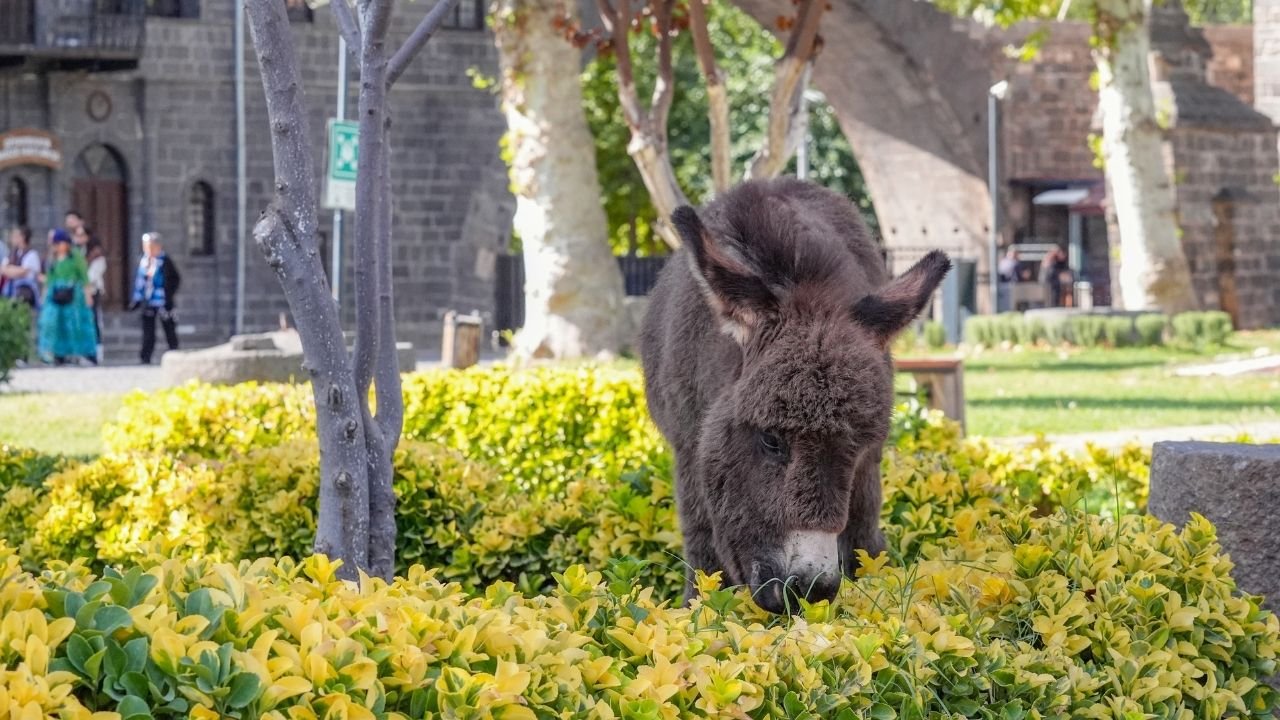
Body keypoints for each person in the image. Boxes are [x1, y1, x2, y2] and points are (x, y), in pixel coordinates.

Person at [36, 230, 97, 366]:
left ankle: (81, 353)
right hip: (55, 293)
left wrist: (88, 295)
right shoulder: (52, 258)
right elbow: (49, 279)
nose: (56, 246)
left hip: (73, 294)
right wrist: (43, 296)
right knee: (54, 324)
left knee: (75, 324)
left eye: (59, 243)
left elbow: (84, 276)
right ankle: (58, 353)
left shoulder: (75, 257)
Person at [129, 232, 181, 364]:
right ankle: (145, 356)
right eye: (146, 246)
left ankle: (174, 353)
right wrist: (137, 298)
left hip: (163, 301)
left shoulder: (165, 261)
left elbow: (175, 279)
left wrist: (168, 292)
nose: (149, 250)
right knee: (148, 331)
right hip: (148, 301)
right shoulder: (144, 261)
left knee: (169, 327)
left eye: (151, 246)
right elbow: (140, 281)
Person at [1, 226, 42, 309]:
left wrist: (10, 269)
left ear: (22, 237)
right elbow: (2, 269)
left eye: (15, 236)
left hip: (25, 292)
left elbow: (22, 272)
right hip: (10, 291)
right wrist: (13, 270)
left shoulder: (31, 254)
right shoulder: (12, 254)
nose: (12, 238)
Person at [84, 234, 107, 363]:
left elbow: (92, 277)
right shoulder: (83, 258)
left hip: (93, 291)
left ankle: (97, 352)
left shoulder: (99, 260)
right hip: (82, 291)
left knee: (94, 320)